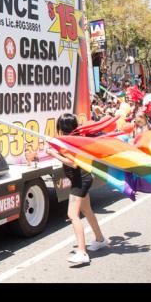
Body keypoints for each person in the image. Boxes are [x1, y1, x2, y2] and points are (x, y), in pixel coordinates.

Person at [46, 114, 109, 265]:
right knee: (87, 210)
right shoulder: (74, 138)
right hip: (82, 178)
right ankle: (100, 239)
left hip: (80, 181)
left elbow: (72, 163)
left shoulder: (71, 141)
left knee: (72, 214)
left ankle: (82, 252)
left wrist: (53, 154)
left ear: (62, 127)